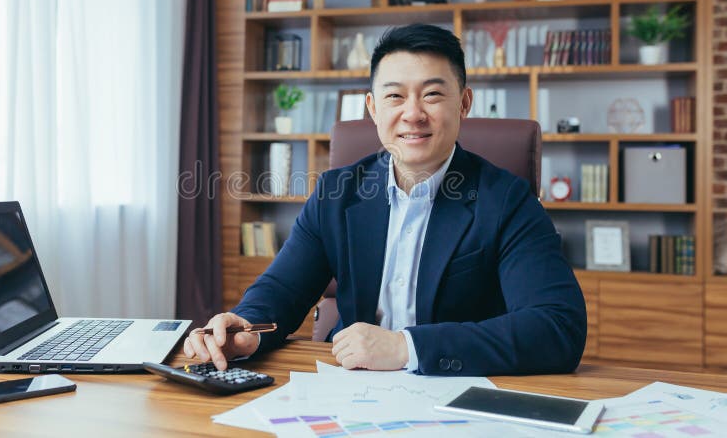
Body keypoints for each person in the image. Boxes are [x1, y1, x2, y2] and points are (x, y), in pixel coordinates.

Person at [185, 23, 587, 376]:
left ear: (464, 103)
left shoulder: (507, 200)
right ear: (373, 109)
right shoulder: (335, 193)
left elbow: (556, 327)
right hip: (350, 391)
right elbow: (281, 291)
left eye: (432, 94)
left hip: (460, 395)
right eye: (395, 97)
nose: (412, 114)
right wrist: (246, 330)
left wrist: (405, 347)